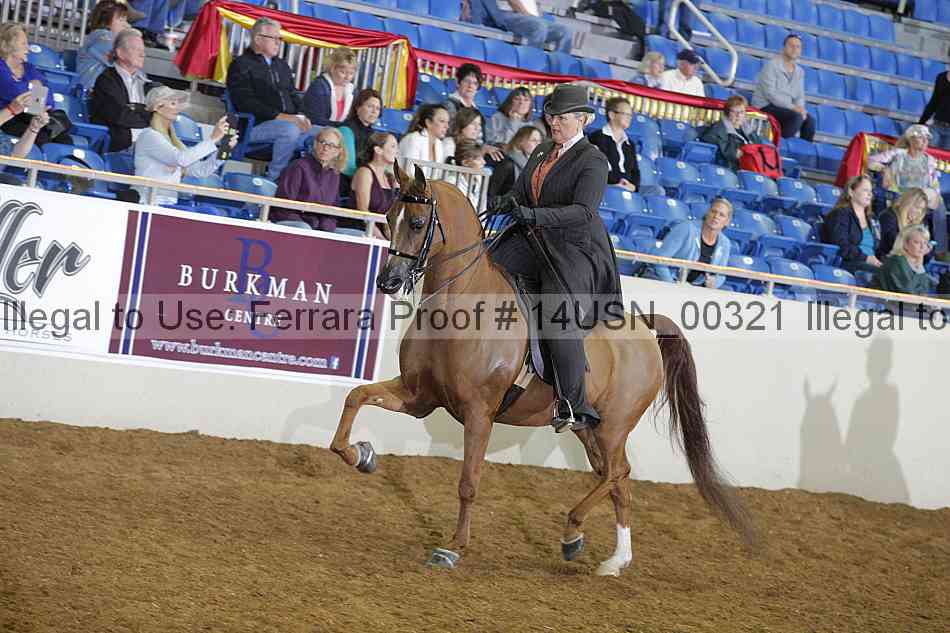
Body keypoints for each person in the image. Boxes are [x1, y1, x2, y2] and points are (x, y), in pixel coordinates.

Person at [488, 83, 617, 433]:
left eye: (561, 118)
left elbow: (583, 212)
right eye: (550, 116)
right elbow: (522, 190)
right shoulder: (543, 150)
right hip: (532, 239)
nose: (553, 123)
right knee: (482, 267)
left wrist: (535, 216)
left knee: (556, 314)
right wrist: (507, 200)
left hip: (572, 250)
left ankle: (573, 403)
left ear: (582, 120)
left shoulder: (593, 160)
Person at [226, 17, 319, 180]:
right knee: (289, 130)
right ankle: (275, 178)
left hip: (288, 122)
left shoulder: (282, 66)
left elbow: (293, 95)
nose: (278, 43)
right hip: (252, 126)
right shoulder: (240, 65)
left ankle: (309, 181)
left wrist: (302, 116)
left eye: (279, 38)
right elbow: (246, 103)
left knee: (326, 133)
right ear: (258, 39)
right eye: (274, 38)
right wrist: (283, 117)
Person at [133, 86, 235, 205]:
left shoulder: (174, 141)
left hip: (167, 203)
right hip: (147, 202)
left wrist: (225, 149)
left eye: (178, 103)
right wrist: (213, 139)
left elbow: (200, 170)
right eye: (172, 103)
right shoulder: (149, 136)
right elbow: (181, 159)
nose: (178, 108)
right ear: (157, 108)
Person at [867, 124, 948, 257]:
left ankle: (938, 250)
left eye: (927, 139)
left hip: (921, 196)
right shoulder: (898, 154)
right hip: (900, 194)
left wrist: (934, 194)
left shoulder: (929, 160)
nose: (925, 141)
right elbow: (871, 161)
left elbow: (934, 183)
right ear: (911, 139)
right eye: (921, 138)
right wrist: (884, 169)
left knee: (939, 205)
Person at [0, 23, 72, 146]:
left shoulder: (29, 68)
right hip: (8, 118)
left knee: (64, 139)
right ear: (7, 45)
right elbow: (12, 91)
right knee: (42, 137)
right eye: (23, 44)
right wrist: (34, 87)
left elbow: (49, 99)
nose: (28, 49)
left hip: (33, 115)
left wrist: (30, 89)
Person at [645, 198, 733, 289]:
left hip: (693, 287)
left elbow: (721, 275)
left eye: (721, 215)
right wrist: (673, 286)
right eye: (713, 211)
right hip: (664, 280)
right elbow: (660, 260)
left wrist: (713, 283)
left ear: (727, 222)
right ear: (707, 213)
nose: (716, 216)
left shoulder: (725, 243)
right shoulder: (686, 228)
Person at [90, 28, 153, 153]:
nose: (142, 54)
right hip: (123, 146)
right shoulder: (107, 80)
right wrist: (149, 117)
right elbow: (120, 116)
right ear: (120, 53)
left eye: (143, 50)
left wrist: (139, 111)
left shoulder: (146, 82)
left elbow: (159, 112)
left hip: (148, 144)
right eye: (136, 49)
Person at [272, 126, 347, 232]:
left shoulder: (334, 174)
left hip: (319, 227)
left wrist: (326, 227)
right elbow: (283, 206)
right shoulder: (298, 167)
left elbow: (333, 210)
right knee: (305, 228)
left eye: (331, 145)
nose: (325, 148)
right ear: (315, 144)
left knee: (355, 235)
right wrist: (312, 227)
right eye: (323, 142)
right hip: (295, 222)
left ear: (337, 151)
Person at [752, 34, 814, 141]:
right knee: (796, 117)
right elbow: (770, 94)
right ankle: (780, 145)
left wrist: (800, 109)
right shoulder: (772, 65)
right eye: (791, 45)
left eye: (798, 47)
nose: (794, 49)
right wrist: (793, 108)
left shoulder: (800, 72)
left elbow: (800, 96)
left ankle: (802, 148)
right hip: (766, 106)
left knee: (810, 121)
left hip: (785, 107)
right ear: (784, 48)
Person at [821, 175, 882, 274]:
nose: (870, 194)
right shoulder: (840, 214)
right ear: (851, 192)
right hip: (849, 263)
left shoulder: (872, 219)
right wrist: (865, 258)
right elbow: (841, 245)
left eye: (871, 191)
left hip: (869, 264)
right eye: (865, 190)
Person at [464, 0, 573, 54]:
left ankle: (558, 70)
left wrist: (538, 14)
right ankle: (532, 64)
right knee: (539, 27)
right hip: (508, 14)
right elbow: (514, 3)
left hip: (533, 19)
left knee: (565, 31)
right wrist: (532, 17)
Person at [699, 94, 767, 171]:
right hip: (729, 169)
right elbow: (716, 148)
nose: (738, 115)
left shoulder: (748, 130)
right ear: (727, 113)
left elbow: (760, 147)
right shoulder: (719, 129)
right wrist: (739, 153)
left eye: (741, 112)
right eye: (734, 112)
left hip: (751, 167)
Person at [587, 96, 640, 192]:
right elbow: (601, 168)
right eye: (625, 114)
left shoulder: (630, 144)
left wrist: (633, 186)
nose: (629, 118)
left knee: (656, 190)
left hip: (628, 186)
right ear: (612, 115)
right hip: (607, 185)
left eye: (630, 115)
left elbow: (635, 172)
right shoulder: (597, 138)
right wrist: (618, 183)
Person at [351, 131, 397, 237]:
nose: (396, 151)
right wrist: (380, 238)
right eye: (393, 146)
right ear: (378, 150)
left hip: (378, 233)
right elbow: (363, 210)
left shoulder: (390, 178)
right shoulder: (364, 172)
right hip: (359, 230)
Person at [76, 1, 130, 91]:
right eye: (121, 20)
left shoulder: (97, 35)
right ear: (106, 20)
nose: (126, 25)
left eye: (126, 20)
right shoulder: (104, 37)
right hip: (90, 91)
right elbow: (125, 65)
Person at [877, 224, 937, 296]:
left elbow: (923, 291)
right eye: (917, 242)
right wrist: (919, 265)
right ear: (905, 244)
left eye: (925, 243)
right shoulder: (896, 262)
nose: (922, 247)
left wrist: (920, 263)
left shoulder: (914, 261)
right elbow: (908, 293)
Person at [487, 124, 543, 201]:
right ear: (520, 141)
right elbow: (491, 194)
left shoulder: (537, 164)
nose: (538, 144)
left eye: (539, 141)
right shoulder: (507, 164)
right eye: (533, 140)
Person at [303, 48, 357, 126]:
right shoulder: (319, 87)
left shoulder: (352, 90)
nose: (347, 77)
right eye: (343, 72)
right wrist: (341, 127)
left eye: (351, 73)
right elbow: (315, 119)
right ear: (332, 69)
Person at [397, 103, 450, 176]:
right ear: (428, 122)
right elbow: (410, 172)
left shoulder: (439, 144)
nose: (447, 126)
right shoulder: (414, 139)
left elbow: (437, 175)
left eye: (448, 122)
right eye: (442, 121)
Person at [877, 188, 929, 260]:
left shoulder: (918, 222)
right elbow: (892, 243)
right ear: (907, 203)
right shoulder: (888, 216)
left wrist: (926, 249)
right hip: (889, 260)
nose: (919, 212)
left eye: (922, 209)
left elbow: (925, 257)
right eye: (917, 207)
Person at [919, 45, 950, 150]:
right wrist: (921, 123)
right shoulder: (941, 77)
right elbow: (934, 102)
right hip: (936, 125)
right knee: (928, 153)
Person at [341, 88, 381, 161]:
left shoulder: (372, 133)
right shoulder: (347, 129)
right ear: (358, 107)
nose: (374, 111)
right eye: (370, 106)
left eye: (378, 108)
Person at [446, 139, 486, 209]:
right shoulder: (451, 181)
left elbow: (483, 209)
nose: (484, 162)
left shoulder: (479, 179)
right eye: (479, 159)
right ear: (465, 162)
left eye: (483, 158)